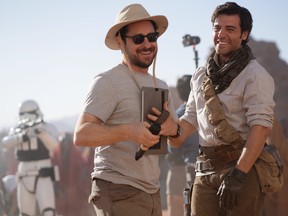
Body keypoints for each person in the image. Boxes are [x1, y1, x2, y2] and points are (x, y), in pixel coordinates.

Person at [157, 2, 276, 216]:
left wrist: (238, 175)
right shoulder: (201, 75)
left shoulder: (255, 75)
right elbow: (191, 118)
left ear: (244, 34)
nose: (221, 34)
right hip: (204, 170)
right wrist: (171, 129)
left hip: (241, 170)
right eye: (217, 28)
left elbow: (261, 127)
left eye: (230, 29)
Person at [73, 4, 176, 216]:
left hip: (152, 191)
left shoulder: (161, 85)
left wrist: (173, 128)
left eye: (152, 37)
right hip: (117, 188)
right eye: (138, 39)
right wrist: (130, 131)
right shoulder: (107, 81)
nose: (147, 44)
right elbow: (81, 134)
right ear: (121, 42)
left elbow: (177, 138)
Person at [2, 99, 59, 216]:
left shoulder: (47, 128)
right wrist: (20, 137)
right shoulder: (18, 130)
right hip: (23, 176)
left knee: (48, 212)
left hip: (43, 174)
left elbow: (54, 146)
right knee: (25, 213)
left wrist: (41, 133)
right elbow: (5, 143)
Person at [165, 74, 199, 216]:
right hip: (204, 167)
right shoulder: (205, 112)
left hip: (182, 168)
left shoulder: (178, 116)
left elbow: (172, 148)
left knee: (176, 208)